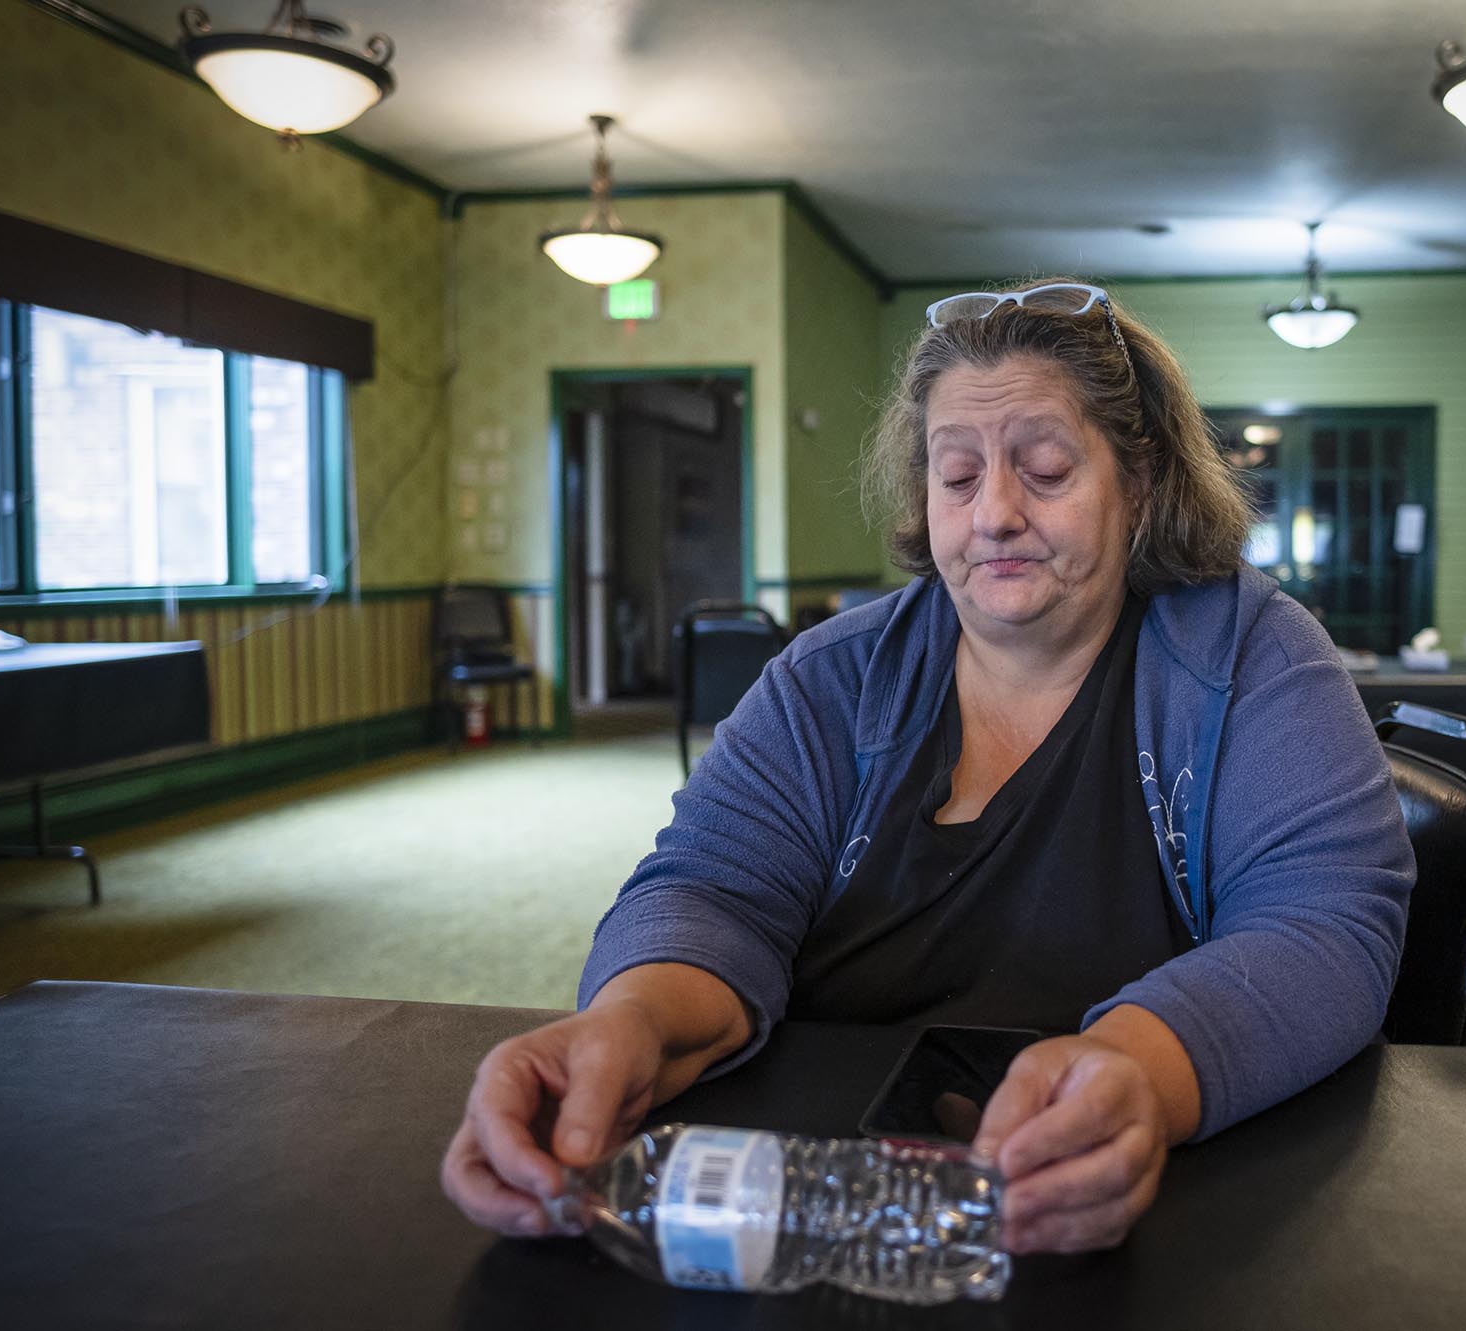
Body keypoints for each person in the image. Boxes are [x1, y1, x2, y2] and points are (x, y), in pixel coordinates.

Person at [442, 280, 1415, 1256]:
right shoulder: (829, 678)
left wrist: (1136, 1068)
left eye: (1043, 469)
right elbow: (709, 889)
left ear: (1142, 483)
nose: (991, 512)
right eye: (955, 476)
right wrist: (633, 1017)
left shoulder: (1253, 654)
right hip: (817, 1217)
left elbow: (1321, 924)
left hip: (1146, 1222)